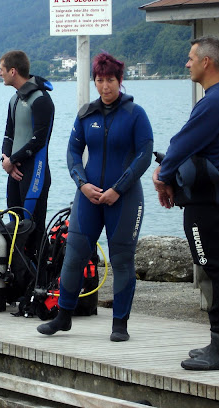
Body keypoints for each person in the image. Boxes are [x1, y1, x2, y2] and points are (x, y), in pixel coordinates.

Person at [37, 52, 153, 341]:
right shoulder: (86, 114)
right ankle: (63, 317)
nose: (105, 86)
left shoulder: (134, 114)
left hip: (123, 199)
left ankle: (120, 324)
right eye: (100, 80)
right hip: (88, 196)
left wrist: (118, 189)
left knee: (122, 259)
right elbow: (72, 152)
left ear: (120, 80)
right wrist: (82, 184)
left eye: (110, 80)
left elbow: (144, 155)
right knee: (74, 255)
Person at [152, 36, 219, 371]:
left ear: (207, 61)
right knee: (217, 266)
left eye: (191, 57)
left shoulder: (216, 101)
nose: (187, 63)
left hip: (209, 200)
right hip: (218, 196)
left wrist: (162, 176)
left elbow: (183, 142)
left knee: (216, 268)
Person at [0, 50, 54, 264]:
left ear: (13, 71)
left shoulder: (41, 100)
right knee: (15, 226)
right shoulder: (14, 99)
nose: (0, 73)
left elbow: (39, 140)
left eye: (2, 69)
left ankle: (41, 280)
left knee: (34, 228)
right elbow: (8, 134)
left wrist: (13, 160)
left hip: (35, 173)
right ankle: (19, 276)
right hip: (14, 171)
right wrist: (6, 160)